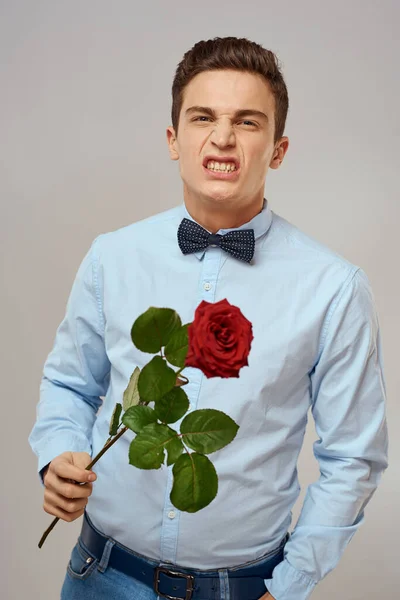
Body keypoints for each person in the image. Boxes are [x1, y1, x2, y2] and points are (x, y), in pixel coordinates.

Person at [29, 36, 389, 600]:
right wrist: (57, 459)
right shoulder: (112, 257)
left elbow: (352, 457)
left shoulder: (334, 288)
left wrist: (289, 586)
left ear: (279, 149)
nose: (222, 137)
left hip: (243, 590)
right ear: (174, 139)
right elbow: (69, 384)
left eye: (248, 122)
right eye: (203, 117)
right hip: (99, 576)